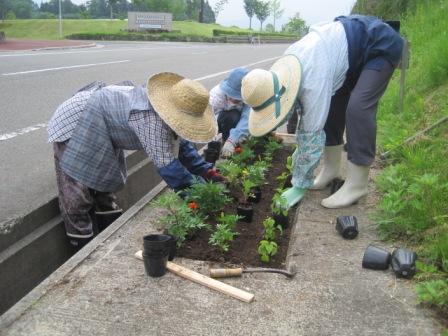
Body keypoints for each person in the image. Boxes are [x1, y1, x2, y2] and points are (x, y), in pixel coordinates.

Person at [241, 15, 404, 209]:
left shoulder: (312, 82)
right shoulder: (285, 70)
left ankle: (357, 184)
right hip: (344, 56)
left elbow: (311, 134)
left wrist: (299, 184)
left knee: (358, 109)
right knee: (332, 110)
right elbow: (305, 116)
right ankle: (331, 170)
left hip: (377, 44)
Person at [47, 73, 225, 249]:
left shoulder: (170, 116)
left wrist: (206, 171)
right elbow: (169, 168)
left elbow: (183, 147)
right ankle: (82, 248)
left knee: (103, 185)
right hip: (75, 120)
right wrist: (199, 195)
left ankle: (105, 241)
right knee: (77, 193)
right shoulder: (151, 119)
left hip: (103, 126)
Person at [209, 67, 250, 157]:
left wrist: (232, 140)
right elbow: (206, 119)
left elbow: (247, 118)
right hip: (217, 121)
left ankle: (229, 144)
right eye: (232, 94)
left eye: (238, 96)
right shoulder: (216, 96)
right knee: (230, 116)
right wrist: (211, 137)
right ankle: (223, 145)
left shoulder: (249, 97)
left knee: (234, 116)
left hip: (234, 122)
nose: (234, 98)